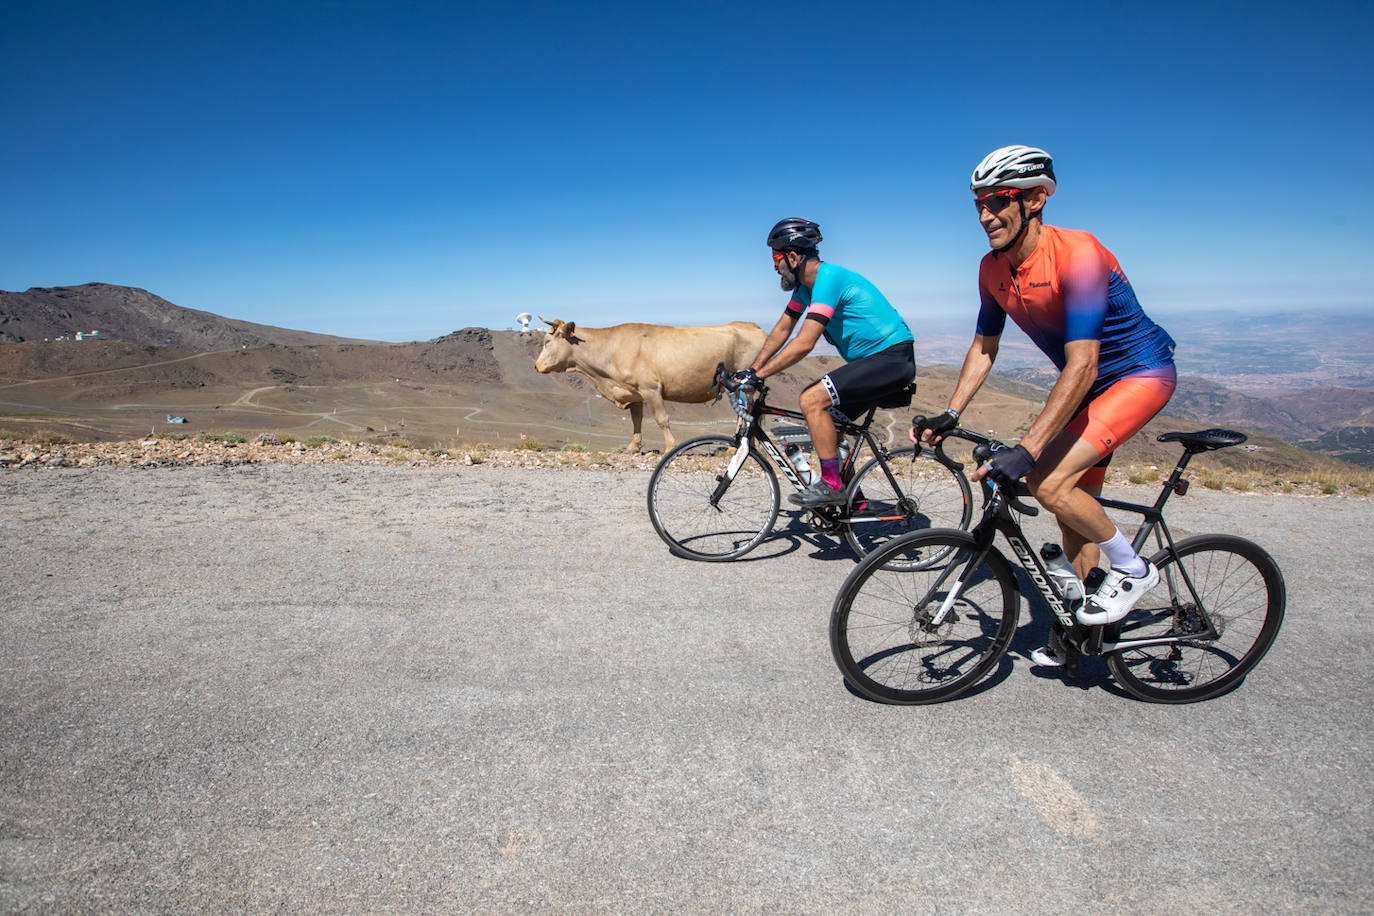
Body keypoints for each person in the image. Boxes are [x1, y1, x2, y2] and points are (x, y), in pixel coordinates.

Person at [917, 145, 1177, 666]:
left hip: (1137, 375)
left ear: (1035, 199)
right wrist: (953, 412)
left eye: (998, 200)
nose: (985, 214)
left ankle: (1134, 570)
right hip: (1090, 384)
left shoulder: (1079, 253)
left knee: (1047, 482)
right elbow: (984, 347)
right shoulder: (991, 270)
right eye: (978, 204)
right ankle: (1089, 631)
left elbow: (1082, 364)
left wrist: (1028, 449)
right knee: (1070, 513)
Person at [731, 218, 916, 507]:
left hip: (891, 359)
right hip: (874, 362)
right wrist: (754, 371)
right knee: (829, 426)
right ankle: (854, 504)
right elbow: (783, 328)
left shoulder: (828, 279)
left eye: (775, 258)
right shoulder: (805, 288)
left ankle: (831, 486)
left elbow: (804, 342)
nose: (774, 266)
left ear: (792, 256)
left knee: (811, 400)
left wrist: (762, 375)